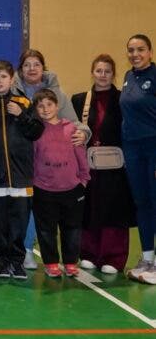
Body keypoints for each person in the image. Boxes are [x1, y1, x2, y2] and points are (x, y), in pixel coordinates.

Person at [12, 49, 90, 269]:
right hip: (28, 168)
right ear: (21, 68)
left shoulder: (60, 95)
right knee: (31, 215)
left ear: (43, 67)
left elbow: (78, 127)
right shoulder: (11, 90)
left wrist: (84, 135)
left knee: (67, 224)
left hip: (64, 180)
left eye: (36, 64)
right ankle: (25, 251)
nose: (32, 68)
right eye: (27, 64)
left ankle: (66, 260)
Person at [71, 55, 136, 275]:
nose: (103, 75)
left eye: (107, 71)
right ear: (92, 72)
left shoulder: (123, 100)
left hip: (117, 167)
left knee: (114, 211)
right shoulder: (79, 100)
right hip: (88, 166)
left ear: (113, 74)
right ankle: (88, 253)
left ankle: (114, 257)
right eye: (99, 71)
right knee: (88, 208)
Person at [0, 60, 44, 280]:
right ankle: (2, 260)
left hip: (21, 174)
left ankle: (17, 262)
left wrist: (21, 114)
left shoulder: (24, 102)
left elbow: (36, 131)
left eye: (3, 77)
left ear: (12, 79)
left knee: (20, 221)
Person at [32, 89, 91, 278]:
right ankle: (50, 262)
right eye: (40, 106)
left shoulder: (71, 128)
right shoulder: (36, 130)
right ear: (35, 109)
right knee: (46, 230)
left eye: (49, 104)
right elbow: (32, 159)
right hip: (43, 190)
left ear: (57, 106)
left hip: (72, 190)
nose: (45, 109)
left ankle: (71, 262)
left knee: (72, 228)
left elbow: (80, 155)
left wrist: (83, 180)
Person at [119, 34, 156, 284]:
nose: (135, 54)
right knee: (142, 203)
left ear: (150, 52)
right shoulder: (127, 77)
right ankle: (146, 259)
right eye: (131, 50)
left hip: (152, 147)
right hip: (132, 150)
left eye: (140, 49)